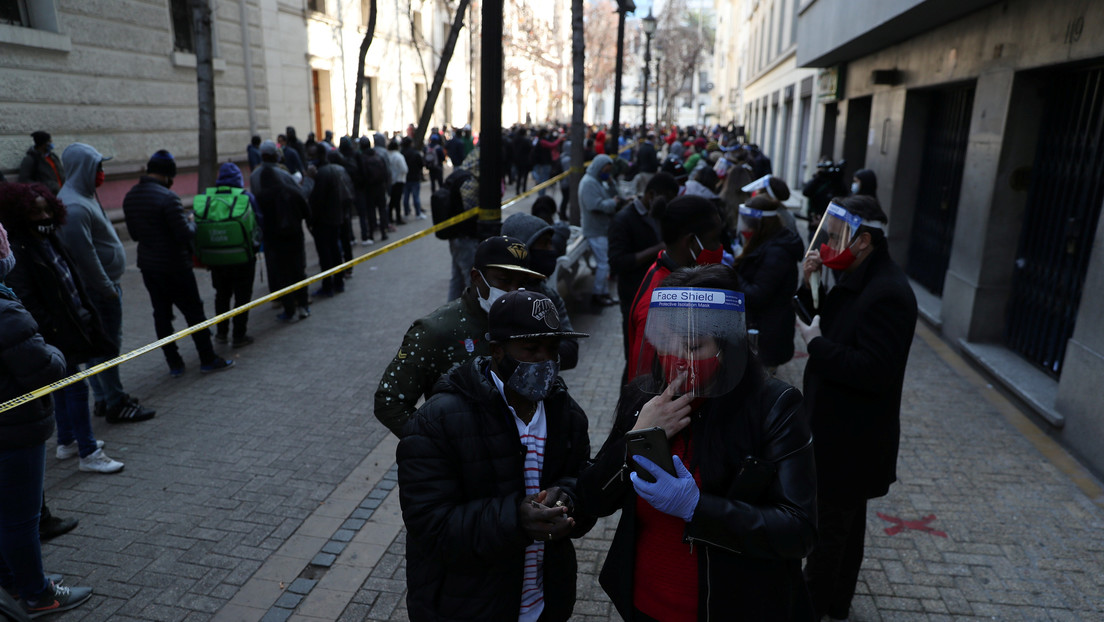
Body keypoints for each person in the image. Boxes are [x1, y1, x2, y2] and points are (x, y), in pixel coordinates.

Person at [576, 264, 817, 621]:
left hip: (731, 607)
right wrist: (635, 439)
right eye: (667, 345)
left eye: (692, 346)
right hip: (645, 602)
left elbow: (798, 530)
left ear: (728, 343)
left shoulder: (773, 406)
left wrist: (697, 508)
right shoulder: (643, 396)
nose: (678, 360)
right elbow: (591, 499)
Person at [397, 289, 594, 621]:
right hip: (468, 606)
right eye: (531, 349)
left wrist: (568, 500)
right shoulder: (438, 420)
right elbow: (428, 523)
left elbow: (582, 486)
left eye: (552, 349)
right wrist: (515, 519)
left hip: (544, 604)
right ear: (497, 351)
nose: (545, 362)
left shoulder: (567, 415)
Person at [796, 195, 917, 622]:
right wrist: (809, 282)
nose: (829, 245)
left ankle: (813, 607)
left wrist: (817, 347)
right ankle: (837, 603)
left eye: (836, 237)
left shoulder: (888, 293)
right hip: (835, 427)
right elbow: (822, 323)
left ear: (863, 241)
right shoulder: (855, 277)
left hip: (852, 437)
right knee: (846, 524)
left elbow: (873, 369)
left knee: (830, 531)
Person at [0, 221, 94, 618]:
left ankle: (11, 581)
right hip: (15, 429)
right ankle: (39, 595)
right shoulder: (5, 311)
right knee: (21, 517)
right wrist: (55, 352)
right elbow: (44, 367)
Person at [0, 183, 124, 474]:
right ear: (20, 215)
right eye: (35, 212)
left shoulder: (50, 239)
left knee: (64, 389)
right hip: (54, 335)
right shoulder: (21, 250)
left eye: (46, 210)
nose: (43, 217)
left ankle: (68, 440)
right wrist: (53, 330)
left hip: (70, 328)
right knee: (76, 388)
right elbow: (29, 299)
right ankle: (88, 452)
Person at [374, 235, 545, 436]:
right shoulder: (435, 330)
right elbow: (389, 402)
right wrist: (435, 445)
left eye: (522, 283)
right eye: (504, 280)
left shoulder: (526, 320)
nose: (513, 291)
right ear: (476, 277)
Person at [57, 143, 156, 423]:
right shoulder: (74, 206)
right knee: (107, 347)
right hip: (99, 291)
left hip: (103, 288)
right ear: (83, 168)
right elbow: (85, 258)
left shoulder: (84, 196)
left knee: (99, 347)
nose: (102, 173)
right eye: (98, 167)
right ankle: (115, 402)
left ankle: (103, 398)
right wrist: (107, 289)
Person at [122, 151, 234, 376]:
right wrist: (192, 222)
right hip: (175, 266)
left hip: (148, 266)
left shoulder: (130, 197)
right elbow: (184, 235)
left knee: (161, 315)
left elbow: (134, 235)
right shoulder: (168, 198)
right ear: (167, 175)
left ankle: (174, 363)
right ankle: (207, 358)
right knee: (194, 312)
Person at [626, 195, 725, 380]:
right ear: (691, 242)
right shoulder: (658, 304)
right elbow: (646, 380)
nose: (720, 247)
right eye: (714, 239)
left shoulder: (669, 272)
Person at [608, 172, 680, 363]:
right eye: (668, 200)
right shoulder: (623, 220)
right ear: (651, 195)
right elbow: (617, 262)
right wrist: (658, 249)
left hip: (659, 299)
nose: (670, 206)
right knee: (635, 358)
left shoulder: (661, 215)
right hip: (634, 297)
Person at [732, 194, 804, 372]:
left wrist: (732, 273)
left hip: (768, 335)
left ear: (761, 225)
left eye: (748, 222)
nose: (744, 227)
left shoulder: (777, 253)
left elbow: (757, 295)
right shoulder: (767, 242)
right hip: (764, 329)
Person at [500, 212, 580, 370]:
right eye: (544, 244)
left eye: (550, 244)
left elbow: (571, 351)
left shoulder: (549, 295)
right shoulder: (495, 296)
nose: (551, 251)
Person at [251, 141, 312, 322]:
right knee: (297, 268)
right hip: (292, 231)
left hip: (271, 234)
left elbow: (256, 209)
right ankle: (302, 305)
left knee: (280, 271)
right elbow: (301, 200)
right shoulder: (286, 177)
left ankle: (288, 307)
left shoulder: (256, 178)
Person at [200, 162, 260, 347]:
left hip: (216, 258)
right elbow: (259, 223)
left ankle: (221, 333)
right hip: (243, 257)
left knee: (222, 295)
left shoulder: (206, 198)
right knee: (242, 296)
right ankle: (239, 335)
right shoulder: (245, 197)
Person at [579, 154, 627, 308]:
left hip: (602, 229)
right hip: (594, 230)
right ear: (598, 168)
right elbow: (595, 205)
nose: (607, 173)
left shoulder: (599, 181)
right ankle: (598, 294)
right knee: (603, 264)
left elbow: (616, 195)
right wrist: (612, 203)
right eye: (605, 170)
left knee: (605, 263)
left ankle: (604, 293)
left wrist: (612, 184)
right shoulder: (589, 183)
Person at [309, 151, 354, 298]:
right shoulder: (336, 170)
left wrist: (313, 220)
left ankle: (328, 285)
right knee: (335, 251)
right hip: (336, 217)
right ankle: (338, 282)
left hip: (326, 220)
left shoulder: (322, 174)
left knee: (327, 254)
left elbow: (317, 200)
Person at [446, 146, 483, 301]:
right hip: (466, 237)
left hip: (455, 235)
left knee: (457, 277)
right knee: (470, 279)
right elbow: (471, 209)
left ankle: (449, 311)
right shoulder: (470, 182)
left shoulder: (459, 174)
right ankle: (468, 315)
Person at [400, 137, 426, 220]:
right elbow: (421, 164)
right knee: (415, 197)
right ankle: (418, 213)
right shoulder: (415, 153)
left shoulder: (401, 153)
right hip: (414, 177)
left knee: (406, 197)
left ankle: (406, 213)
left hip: (405, 178)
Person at [385, 140, 408, 226]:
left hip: (391, 180)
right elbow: (404, 169)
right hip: (399, 180)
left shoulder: (387, 156)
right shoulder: (398, 156)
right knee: (397, 200)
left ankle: (390, 217)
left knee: (392, 200)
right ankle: (398, 217)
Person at [512, 128, 533, 195]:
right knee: (525, 176)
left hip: (517, 160)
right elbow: (530, 148)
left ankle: (518, 190)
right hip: (525, 160)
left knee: (519, 175)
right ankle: (524, 189)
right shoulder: (526, 140)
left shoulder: (515, 140)